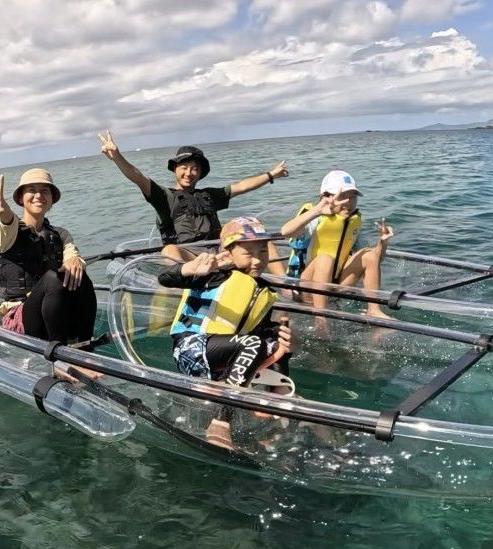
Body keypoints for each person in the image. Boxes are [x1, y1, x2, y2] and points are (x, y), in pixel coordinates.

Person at [158, 216, 293, 450]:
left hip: (225, 358)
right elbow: (165, 278)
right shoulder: (213, 275)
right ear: (229, 253)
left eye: (262, 252)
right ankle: (221, 422)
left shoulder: (262, 289)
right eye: (248, 253)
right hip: (191, 349)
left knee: (274, 337)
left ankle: (275, 401)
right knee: (253, 343)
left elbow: (262, 338)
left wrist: (283, 346)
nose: (258, 260)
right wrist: (190, 269)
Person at [98, 130, 290, 246]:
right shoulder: (164, 197)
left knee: (261, 239)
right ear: (175, 169)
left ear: (200, 173)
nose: (189, 173)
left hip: (217, 249)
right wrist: (117, 156)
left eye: (195, 169)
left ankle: (290, 291)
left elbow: (241, 186)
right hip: (184, 254)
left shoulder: (209, 195)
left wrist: (271, 174)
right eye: (184, 167)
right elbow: (138, 177)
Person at [0, 168, 97, 344]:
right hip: (22, 317)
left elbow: (72, 254)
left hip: (56, 313)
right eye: (31, 190)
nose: (38, 195)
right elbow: (7, 222)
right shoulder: (9, 232)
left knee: (81, 278)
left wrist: (75, 260)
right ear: (20, 198)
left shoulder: (60, 234)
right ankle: (59, 357)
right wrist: (3, 212)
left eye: (44, 191)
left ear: (51, 200)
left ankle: (85, 349)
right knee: (53, 278)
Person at [280, 170, 394, 320]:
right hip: (305, 288)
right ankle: (321, 319)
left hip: (336, 286)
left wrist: (383, 243)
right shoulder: (314, 217)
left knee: (369, 254)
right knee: (325, 259)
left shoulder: (351, 222)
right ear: (325, 197)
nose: (348, 202)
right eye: (342, 197)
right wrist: (317, 211)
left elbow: (375, 260)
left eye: (353, 197)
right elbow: (286, 232)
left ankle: (373, 309)